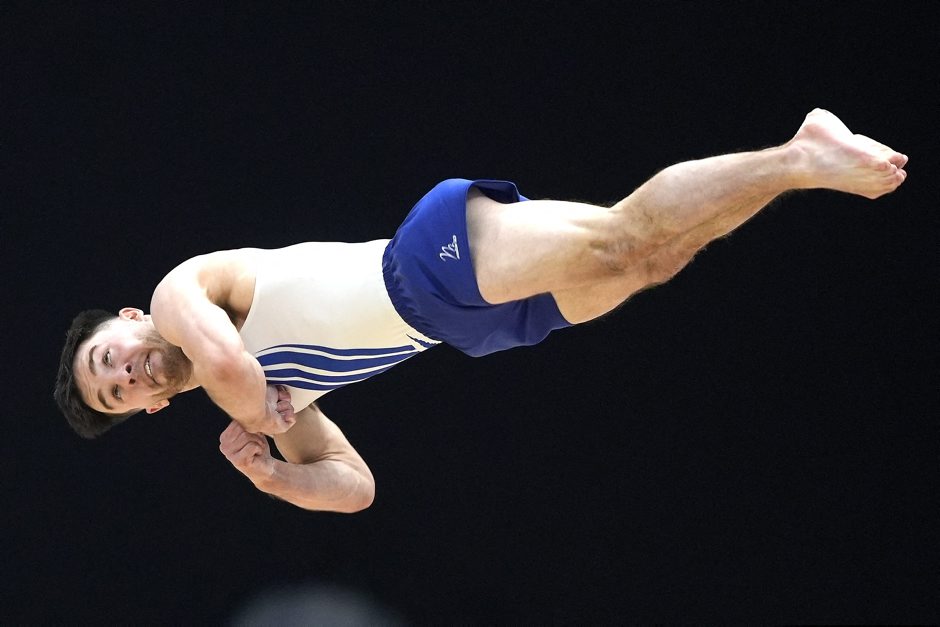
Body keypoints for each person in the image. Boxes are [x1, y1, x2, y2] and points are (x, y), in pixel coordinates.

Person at [54, 109, 908, 513]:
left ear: (128, 318)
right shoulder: (267, 405)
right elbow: (355, 487)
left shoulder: (178, 294)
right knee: (655, 259)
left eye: (107, 358)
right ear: (148, 408)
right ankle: (800, 162)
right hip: (459, 325)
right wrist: (272, 473)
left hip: (424, 260)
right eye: (118, 393)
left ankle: (801, 156)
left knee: (624, 237)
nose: (126, 372)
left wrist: (260, 416)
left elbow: (231, 366)